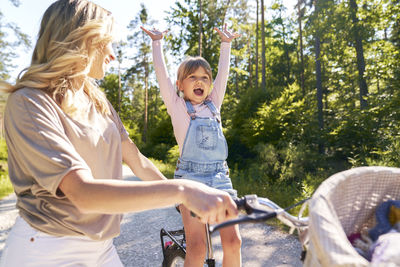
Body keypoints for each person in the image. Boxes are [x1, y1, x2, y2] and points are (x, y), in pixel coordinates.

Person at [0, 1, 238, 266]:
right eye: (106, 43)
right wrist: (183, 190)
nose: (112, 54)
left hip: (102, 247)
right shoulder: (30, 102)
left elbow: (137, 161)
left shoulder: (97, 100)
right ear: (83, 41)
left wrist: (183, 200)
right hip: (48, 249)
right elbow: (81, 191)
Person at [141, 24, 242, 267]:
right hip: (191, 178)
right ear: (180, 85)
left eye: (205, 78)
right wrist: (157, 43)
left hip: (220, 178)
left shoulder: (213, 103)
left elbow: (223, 74)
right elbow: (161, 74)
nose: (200, 81)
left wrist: (225, 45)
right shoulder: (176, 106)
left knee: (234, 242)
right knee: (197, 247)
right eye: (193, 77)